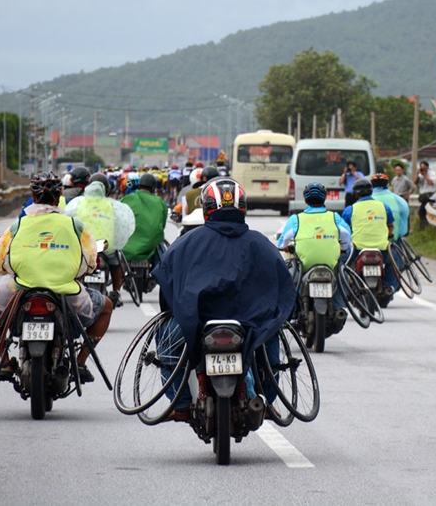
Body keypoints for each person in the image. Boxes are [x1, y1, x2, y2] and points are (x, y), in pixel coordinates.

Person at [154, 177, 296, 421]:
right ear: (243, 207)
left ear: (207, 209)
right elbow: (282, 288)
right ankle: (269, 402)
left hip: (197, 323)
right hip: (250, 324)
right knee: (273, 333)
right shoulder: (261, 243)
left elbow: (167, 284)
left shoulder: (186, 243)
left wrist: (176, 312)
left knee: (165, 338)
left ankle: (181, 402)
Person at [0, 171, 113, 383]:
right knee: (106, 306)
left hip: (20, 291)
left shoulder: (18, 225)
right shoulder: (74, 225)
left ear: (33, 197)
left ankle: (5, 361)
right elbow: (90, 262)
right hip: (66, 293)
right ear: (59, 195)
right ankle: (80, 362)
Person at [277, 182, 350, 325]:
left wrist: (285, 247)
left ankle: (292, 312)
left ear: (305, 200)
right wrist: (344, 248)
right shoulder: (334, 217)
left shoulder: (296, 219)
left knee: (289, 280)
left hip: (305, 264)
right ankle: (339, 308)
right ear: (325, 199)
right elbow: (346, 234)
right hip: (330, 264)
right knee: (342, 277)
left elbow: (281, 242)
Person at [65, 178, 136, 306]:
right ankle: (116, 291)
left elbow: (66, 220)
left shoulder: (77, 203)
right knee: (116, 262)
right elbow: (123, 223)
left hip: (84, 247)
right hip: (105, 246)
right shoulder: (114, 206)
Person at [341, 178, 398, 296]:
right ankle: (388, 286)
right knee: (395, 260)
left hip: (357, 249)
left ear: (355, 194)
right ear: (371, 191)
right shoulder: (384, 207)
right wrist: (389, 234)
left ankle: (348, 288)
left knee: (342, 265)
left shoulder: (350, 209)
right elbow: (390, 225)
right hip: (382, 249)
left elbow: (344, 230)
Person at [121, 172, 169, 265]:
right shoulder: (159, 202)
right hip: (150, 247)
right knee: (163, 260)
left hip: (127, 249)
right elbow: (162, 225)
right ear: (153, 188)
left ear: (139, 185)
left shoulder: (127, 199)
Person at [413, 161, 436, 228]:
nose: (423, 169)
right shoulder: (420, 174)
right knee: (422, 212)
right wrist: (417, 174)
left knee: (422, 211)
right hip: (424, 197)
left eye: (424, 168)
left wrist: (425, 175)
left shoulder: (432, 173)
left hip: (431, 197)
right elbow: (414, 182)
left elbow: (430, 182)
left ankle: (424, 227)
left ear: (427, 167)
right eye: (421, 168)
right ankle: (424, 227)